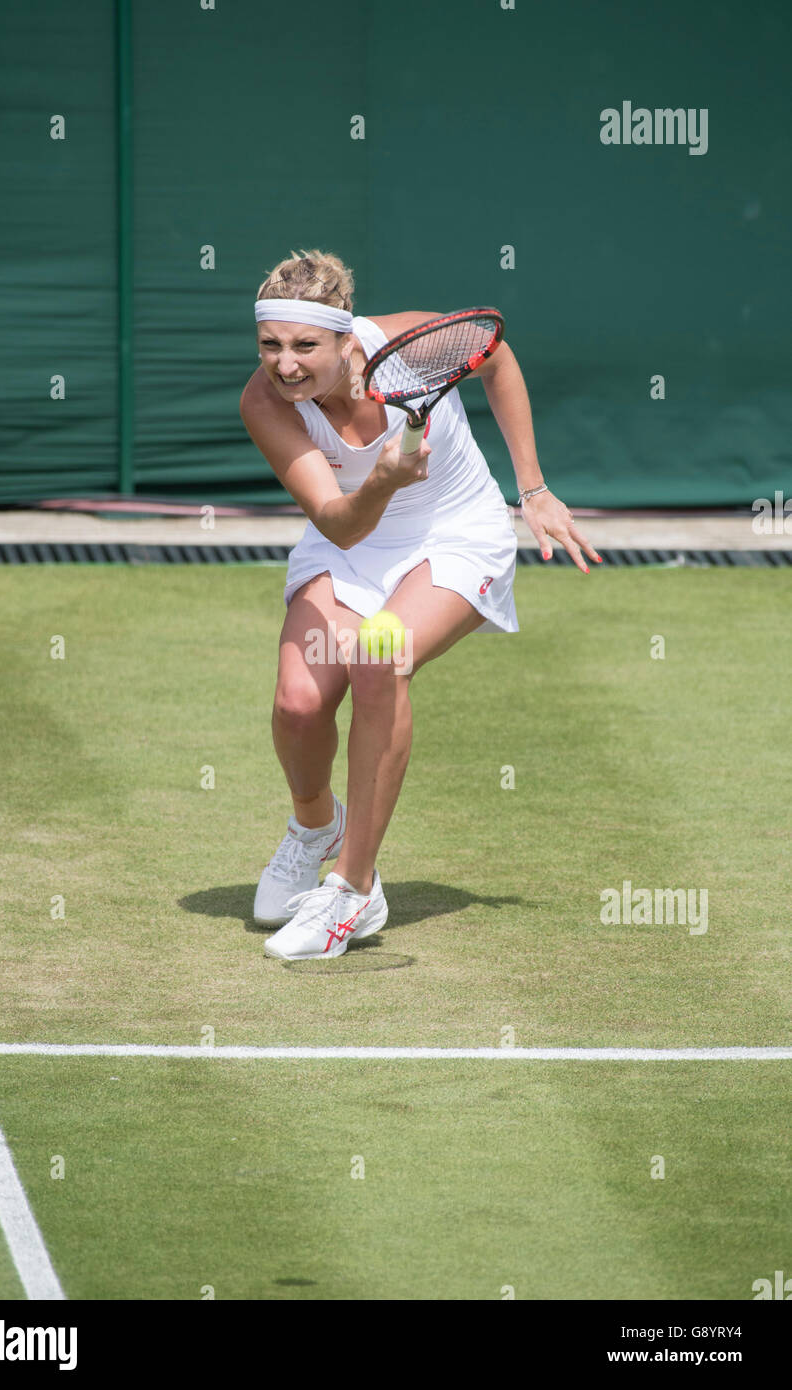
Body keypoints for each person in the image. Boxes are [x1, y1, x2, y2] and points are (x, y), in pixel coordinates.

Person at [239, 250, 600, 961]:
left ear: (346, 339)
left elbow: (496, 358)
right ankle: (316, 828)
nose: (284, 366)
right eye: (270, 345)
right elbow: (340, 521)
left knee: (379, 659)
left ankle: (352, 891)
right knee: (298, 706)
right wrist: (383, 480)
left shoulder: (410, 344)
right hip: (350, 537)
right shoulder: (263, 404)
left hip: (455, 534)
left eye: (304, 346)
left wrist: (532, 488)